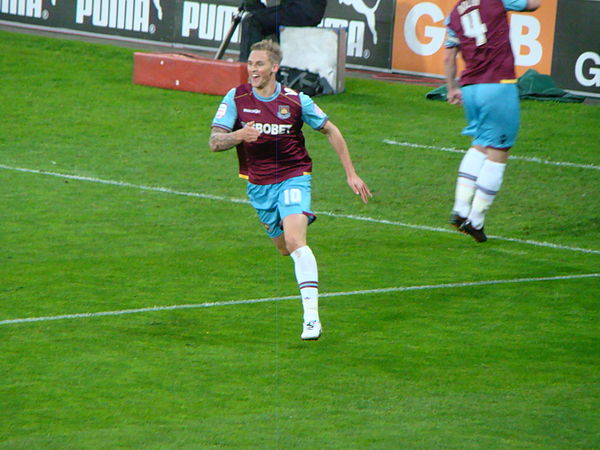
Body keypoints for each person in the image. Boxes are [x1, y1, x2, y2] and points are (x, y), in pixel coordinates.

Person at [209, 40, 371, 340]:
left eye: (259, 64)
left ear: (274, 68)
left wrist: (351, 174)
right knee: (284, 248)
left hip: (293, 177)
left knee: (296, 241)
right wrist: (239, 135)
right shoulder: (236, 97)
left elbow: (330, 129)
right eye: (250, 63)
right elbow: (214, 142)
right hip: (258, 186)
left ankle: (311, 319)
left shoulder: (296, 101)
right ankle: (307, 292)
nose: (253, 69)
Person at [444, 0, 541, 242]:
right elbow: (534, 4)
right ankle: (475, 220)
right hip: (498, 85)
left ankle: (460, 209)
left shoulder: (454, 13)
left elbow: (448, 58)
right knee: (499, 151)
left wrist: (451, 88)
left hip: (471, 88)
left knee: (480, 144)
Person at [238, 0, 328, 62]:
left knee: (252, 20)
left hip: (300, 10)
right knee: (259, 16)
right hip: (305, 9)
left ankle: (246, 74)